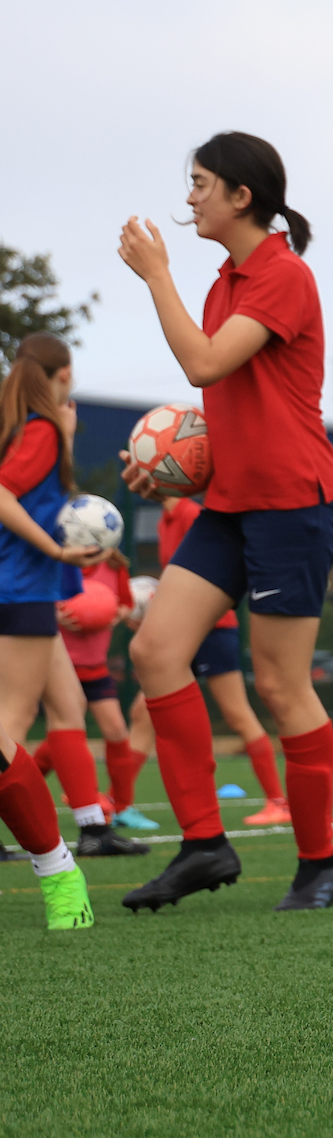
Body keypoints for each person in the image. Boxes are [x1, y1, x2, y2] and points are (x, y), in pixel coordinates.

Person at [115, 132, 333, 913]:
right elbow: (236, 406)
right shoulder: (225, 283)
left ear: (241, 196)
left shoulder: (283, 274)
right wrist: (171, 468)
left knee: (282, 686)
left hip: (293, 505)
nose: (190, 198)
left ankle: (320, 865)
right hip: (232, 503)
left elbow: (205, 365)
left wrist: (157, 277)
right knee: (154, 651)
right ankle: (204, 846)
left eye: (201, 184)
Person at [0, 332, 100, 928]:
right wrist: (58, 552)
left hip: (27, 590)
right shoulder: (38, 430)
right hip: (20, 589)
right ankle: (57, 864)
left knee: (69, 706)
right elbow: (3, 495)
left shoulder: (31, 429)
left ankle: (93, 824)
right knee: (8, 726)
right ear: (62, 375)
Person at [157, 494, 289, 825]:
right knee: (145, 712)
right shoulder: (164, 520)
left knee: (237, 714)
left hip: (213, 627)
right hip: (182, 626)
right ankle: (120, 803)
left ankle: (278, 802)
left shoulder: (192, 514)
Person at [47, 547, 157, 852]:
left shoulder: (114, 566)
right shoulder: (54, 558)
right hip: (59, 664)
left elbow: (126, 605)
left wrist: (109, 612)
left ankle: (120, 806)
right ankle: (20, 791)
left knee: (116, 731)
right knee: (62, 730)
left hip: (95, 666)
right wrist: (54, 613)